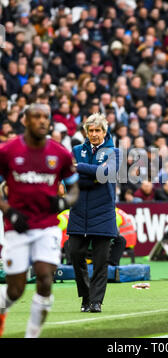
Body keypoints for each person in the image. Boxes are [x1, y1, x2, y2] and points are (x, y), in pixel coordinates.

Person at [0, 103, 79, 338]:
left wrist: (64, 203)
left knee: (45, 279)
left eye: (46, 117)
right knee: (16, 290)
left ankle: (31, 336)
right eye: (37, 117)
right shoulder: (8, 151)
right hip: (17, 226)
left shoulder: (61, 154)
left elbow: (74, 188)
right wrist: (8, 210)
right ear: (25, 121)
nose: (42, 121)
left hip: (47, 226)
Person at [66, 113, 120, 313]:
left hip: (103, 213)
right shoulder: (76, 150)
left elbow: (106, 174)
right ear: (86, 132)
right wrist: (93, 176)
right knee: (75, 256)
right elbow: (69, 179)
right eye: (91, 131)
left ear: (105, 132)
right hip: (78, 212)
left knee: (100, 262)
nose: (94, 134)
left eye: (98, 130)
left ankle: (96, 301)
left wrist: (80, 168)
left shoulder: (114, 152)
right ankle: (86, 296)